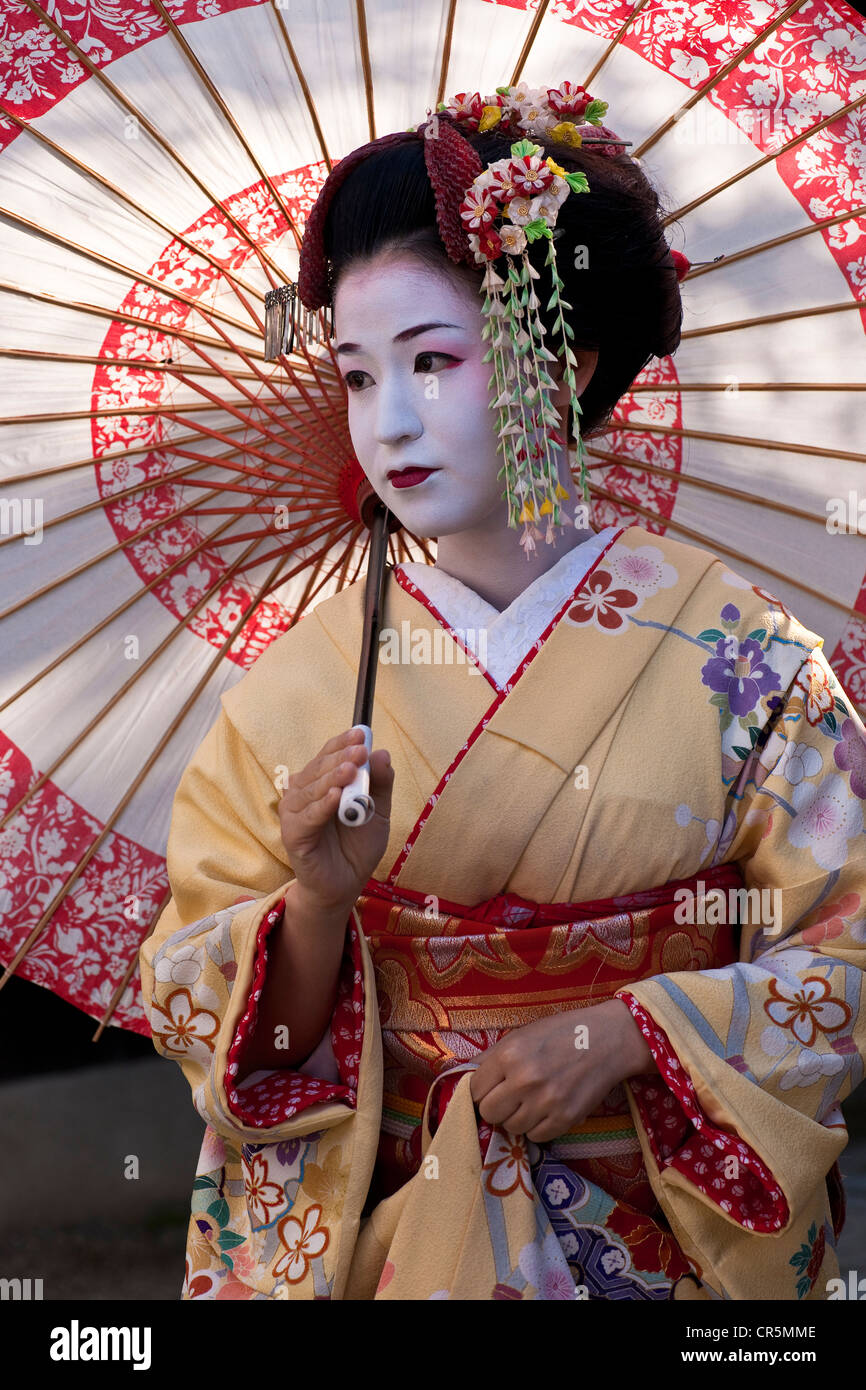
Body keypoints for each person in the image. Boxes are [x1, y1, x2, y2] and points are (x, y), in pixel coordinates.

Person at [139, 82, 866, 1301]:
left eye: (433, 360)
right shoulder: (299, 687)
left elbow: (850, 936)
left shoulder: (738, 650)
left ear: (562, 360)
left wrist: (632, 1032)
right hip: (403, 1238)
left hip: (665, 1229)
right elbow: (201, 1002)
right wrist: (317, 907)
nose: (390, 421)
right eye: (361, 376)